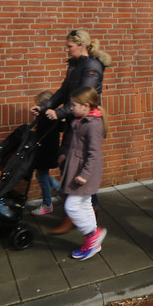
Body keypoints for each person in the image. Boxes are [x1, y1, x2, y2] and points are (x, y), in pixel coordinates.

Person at [33, 29, 112, 234]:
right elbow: (63, 92)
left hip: (85, 122)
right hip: (73, 121)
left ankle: (75, 214)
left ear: (81, 45)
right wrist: (44, 107)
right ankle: (88, 208)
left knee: (74, 164)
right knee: (66, 161)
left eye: (69, 46)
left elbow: (82, 98)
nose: (66, 50)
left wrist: (59, 113)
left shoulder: (91, 66)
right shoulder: (75, 65)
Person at [52, 87, 108, 260]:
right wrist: (66, 156)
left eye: (74, 105)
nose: (71, 108)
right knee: (84, 203)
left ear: (86, 106)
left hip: (85, 172)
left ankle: (93, 235)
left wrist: (85, 174)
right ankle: (93, 243)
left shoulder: (93, 125)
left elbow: (93, 154)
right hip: (79, 169)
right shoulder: (82, 120)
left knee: (72, 206)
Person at [30, 91, 61, 216]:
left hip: (44, 152)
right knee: (42, 175)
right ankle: (62, 191)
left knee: (42, 177)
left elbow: (40, 134)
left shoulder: (47, 118)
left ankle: (47, 204)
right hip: (49, 151)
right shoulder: (54, 117)